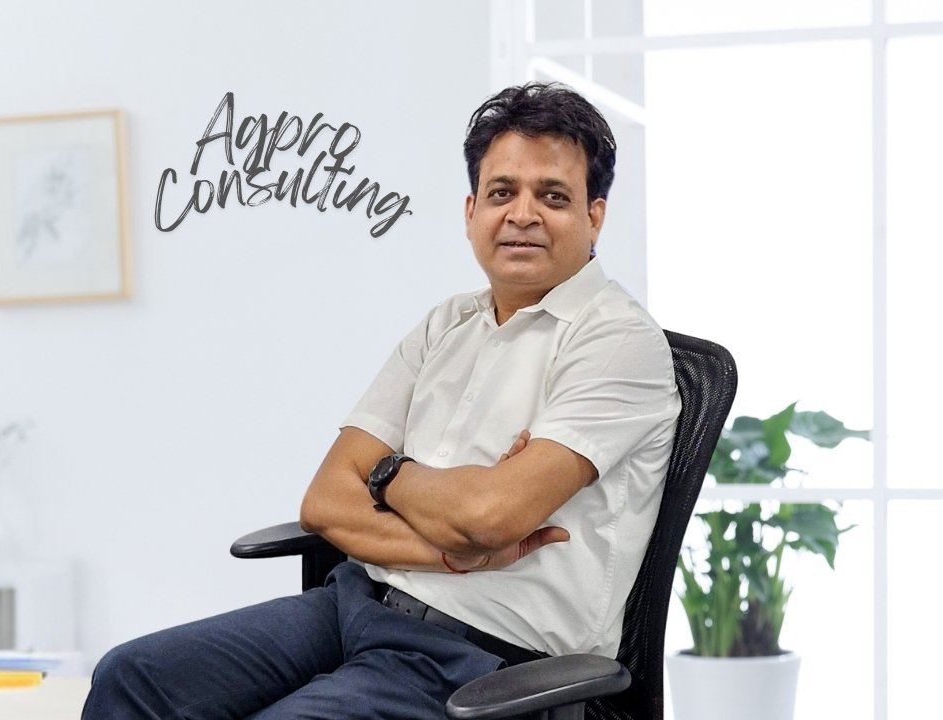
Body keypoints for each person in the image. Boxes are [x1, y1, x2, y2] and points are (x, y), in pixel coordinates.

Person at [83, 82, 681, 720]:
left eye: (553, 196)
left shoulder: (617, 340)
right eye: (502, 192)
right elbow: (324, 502)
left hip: (482, 658)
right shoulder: (447, 324)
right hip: (358, 602)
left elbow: (490, 516)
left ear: (594, 216)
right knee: (132, 677)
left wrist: (388, 473)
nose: (522, 214)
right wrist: (448, 544)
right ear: (471, 211)